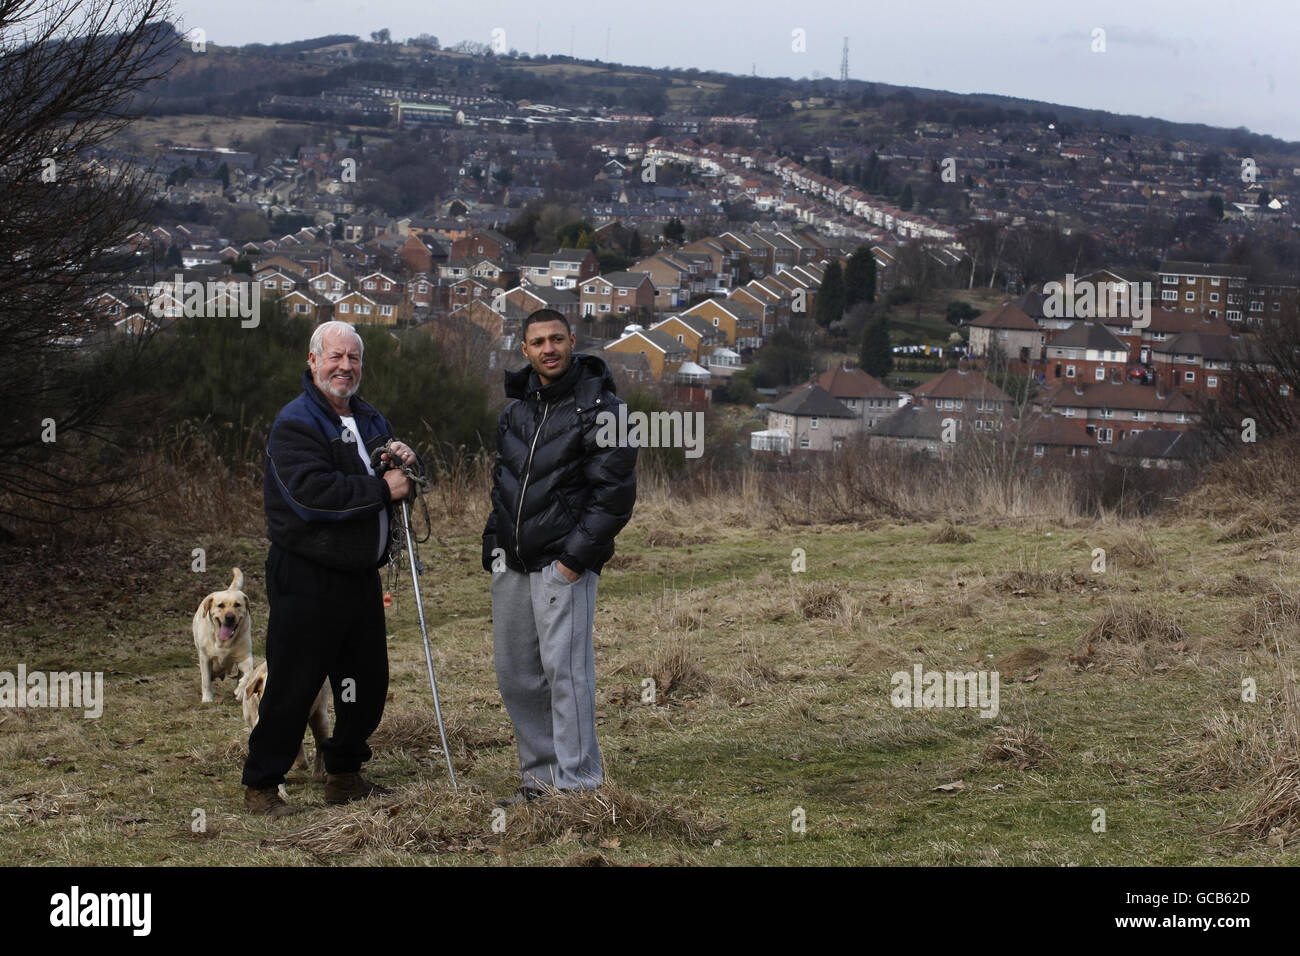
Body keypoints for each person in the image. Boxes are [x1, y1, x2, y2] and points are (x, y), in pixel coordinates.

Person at [242, 320, 418, 816]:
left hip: (359, 576)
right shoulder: (296, 422)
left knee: (365, 681)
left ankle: (343, 773)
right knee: (294, 684)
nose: (345, 367)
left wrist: (403, 456)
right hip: (306, 576)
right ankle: (262, 784)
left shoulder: (368, 417)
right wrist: (384, 489)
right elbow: (312, 496)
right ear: (313, 361)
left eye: (354, 359)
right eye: (335, 357)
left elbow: (391, 466)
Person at [483, 308, 637, 804]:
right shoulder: (514, 412)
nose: (547, 349)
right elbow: (501, 484)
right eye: (537, 342)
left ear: (572, 341)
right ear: (523, 350)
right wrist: (494, 548)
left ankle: (580, 787)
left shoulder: (609, 411)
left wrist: (574, 559)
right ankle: (540, 780)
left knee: (566, 675)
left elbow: (615, 496)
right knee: (517, 676)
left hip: (562, 566)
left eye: (556, 339)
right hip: (513, 564)